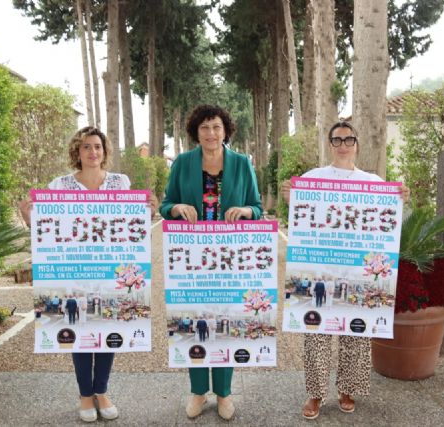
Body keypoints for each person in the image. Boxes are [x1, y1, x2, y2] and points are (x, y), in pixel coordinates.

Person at [19, 126, 157, 423]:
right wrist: (29, 216)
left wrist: (148, 212)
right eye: (86, 147)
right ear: (77, 152)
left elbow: (130, 226)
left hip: (111, 269)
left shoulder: (121, 182)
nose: (92, 152)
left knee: (107, 328)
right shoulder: (60, 184)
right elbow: (47, 230)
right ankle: (85, 395)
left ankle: (102, 391)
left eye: (97, 146)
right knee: (80, 331)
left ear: (104, 151)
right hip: (74, 269)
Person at [281, 121, 409, 420]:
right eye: (337, 139)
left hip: (358, 275)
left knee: (356, 334)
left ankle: (347, 389)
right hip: (320, 271)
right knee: (316, 334)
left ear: (357, 143)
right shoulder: (313, 178)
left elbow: (388, 220)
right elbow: (300, 215)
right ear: (330, 144)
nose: (343, 144)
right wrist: (291, 197)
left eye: (349, 139)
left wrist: (400, 197)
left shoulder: (373, 182)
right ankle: (315, 393)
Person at [160, 104, 262, 421]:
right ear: (196, 132)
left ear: (225, 130)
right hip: (192, 261)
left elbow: (257, 208)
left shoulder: (242, 164)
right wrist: (176, 207)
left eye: (216, 126)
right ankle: (198, 391)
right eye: (204, 127)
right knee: (194, 323)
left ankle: (224, 393)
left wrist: (246, 212)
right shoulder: (183, 163)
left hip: (230, 259)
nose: (211, 133)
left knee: (226, 323)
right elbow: (165, 205)